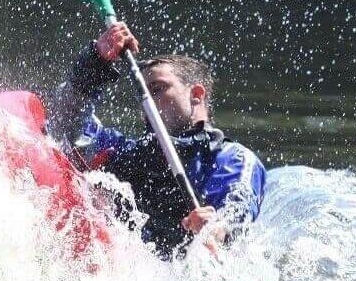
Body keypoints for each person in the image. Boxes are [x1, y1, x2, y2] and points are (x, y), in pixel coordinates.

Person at [47, 22, 266, 259]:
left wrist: (216, 229)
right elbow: (65, 125)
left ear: (196, 95)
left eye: (157, 89)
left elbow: (237, 208)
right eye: (143, 92)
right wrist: (96, 61)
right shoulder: (130, 155)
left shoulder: (232, 159)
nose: (146, 102)